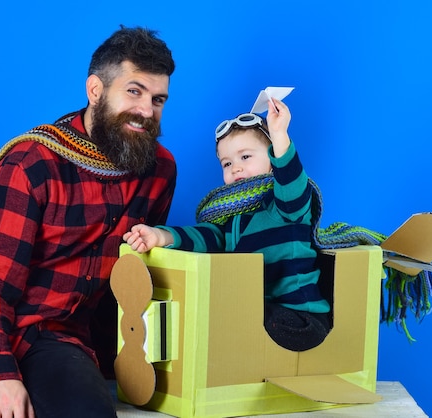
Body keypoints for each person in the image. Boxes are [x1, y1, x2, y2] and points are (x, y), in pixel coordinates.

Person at [0, 25, 177, 418]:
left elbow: (130, 277)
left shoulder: (159, 170)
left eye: (158, 99)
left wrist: (122, 365)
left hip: (56, 334)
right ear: (95, 91)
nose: (146, 111)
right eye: (134, 91)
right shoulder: (32, 162)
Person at [123, 98, 331, 352]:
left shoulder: (285, 206)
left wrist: (278, 135)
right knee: (225, 313)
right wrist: (160, 236)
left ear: (271, 158)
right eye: (227, 163)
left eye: (245, 156)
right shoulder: (231, 217)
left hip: (302, 318)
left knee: (242, 315)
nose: (236, 168)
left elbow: (292, 183)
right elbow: (205, 237)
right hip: (259, 315)